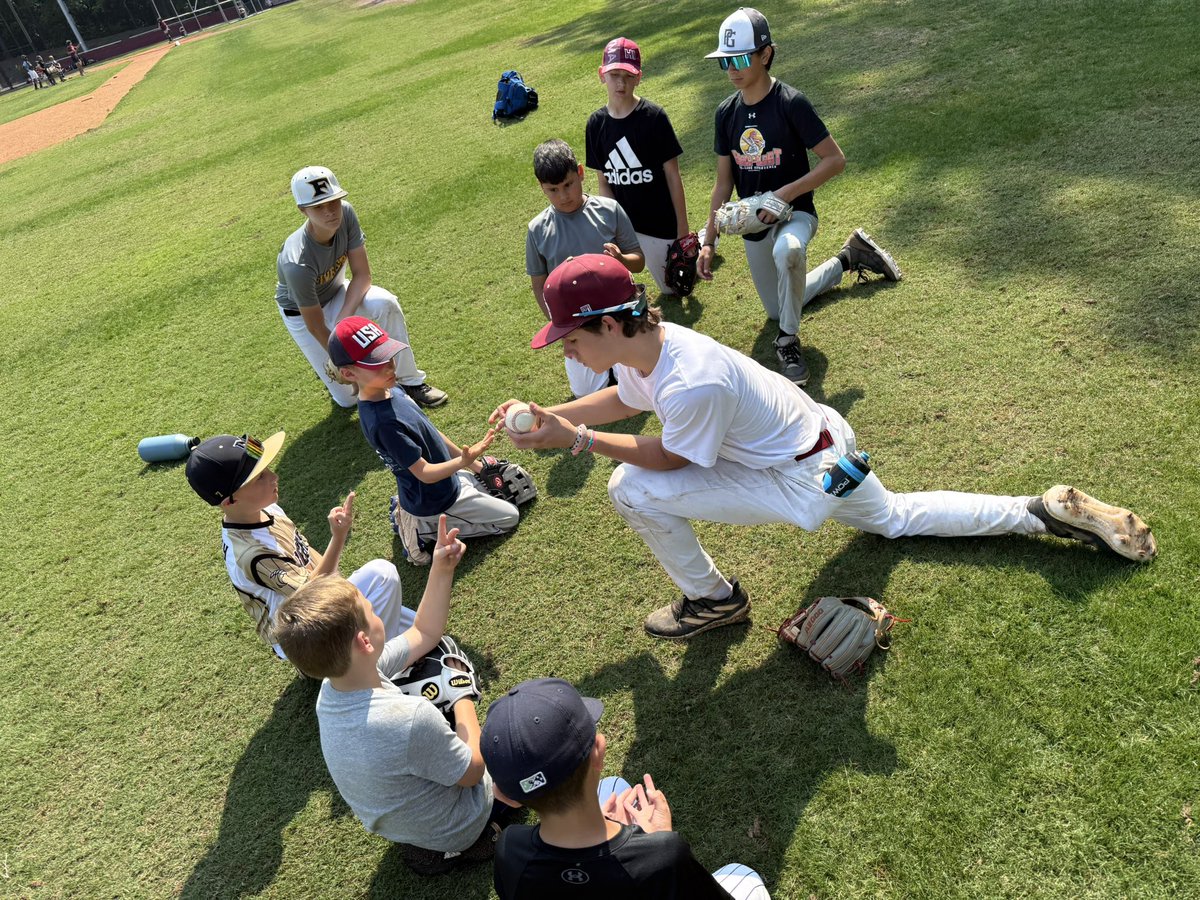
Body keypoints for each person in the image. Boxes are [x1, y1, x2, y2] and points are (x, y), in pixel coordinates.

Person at [490, 254, 1157, 640]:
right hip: (833, 447)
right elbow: (626, 398)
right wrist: (555, 415)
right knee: (894, 519)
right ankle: (1036, 511)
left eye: (570, 336)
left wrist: (578, 439)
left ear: (610, 324)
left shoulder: (691, 382)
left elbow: (671, 458)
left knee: (630, 486)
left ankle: (715, 600)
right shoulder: (655, 346)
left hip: (804, 483)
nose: (566, 349)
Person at [272, 516, 503, 876]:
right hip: (459, 821)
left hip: (404, 824)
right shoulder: (410, 718)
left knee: (431, 660)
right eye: (370, 609)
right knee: (513, 731)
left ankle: (430, 847)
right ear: (364, 640)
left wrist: (442, 568)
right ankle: (474, 839)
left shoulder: (335, 688)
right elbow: (473, 772)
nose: (376, 611)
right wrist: (461, 698)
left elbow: (424, 633)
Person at [698, 7, 902, 387]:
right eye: (725, 61)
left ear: (765, 54)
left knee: (789, 252)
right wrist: (708, 241)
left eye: (739, 59)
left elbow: (835, 160)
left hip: (796, 216)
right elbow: (723, 183)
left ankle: (788, 342)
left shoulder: (791, 102)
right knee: (779, 307)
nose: (731, 70)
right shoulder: (725, 113)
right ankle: (849, 257)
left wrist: (783, 195)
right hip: (754, 226)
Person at [481, 677, 772, 898]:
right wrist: (656, 841)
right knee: (744, 876)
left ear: (508, 796)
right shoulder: (664, 857)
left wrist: (614, 834)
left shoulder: (509, 849)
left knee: (613, 787)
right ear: (599, 750)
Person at [185, 430, 414, 658]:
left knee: (403, 623)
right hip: (303, 639)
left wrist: (345, 589)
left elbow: (306, 556)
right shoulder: (252, 553)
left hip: (314, 607)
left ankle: (395, 648)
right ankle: (374, 665)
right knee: (382, 575)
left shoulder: (265, 508)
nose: (274, 477)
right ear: (229, 501)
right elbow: (313, 594)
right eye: (260, 478)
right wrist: (338, 537)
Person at [327, 315, 523, 565]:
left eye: (388, 356)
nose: (389, 366)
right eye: (376, 363)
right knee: (509, 517)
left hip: (446, 481)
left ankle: (412, 510)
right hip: (435, 499)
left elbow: (431, 432)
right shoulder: (382, 423)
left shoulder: (391, 388)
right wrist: (463, 461)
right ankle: (422, 529)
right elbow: (425, 473)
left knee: (494, 489)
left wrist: (475, 466)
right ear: (348, 373)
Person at [275, 165, 447, 409]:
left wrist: (343, 319)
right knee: (348, 399)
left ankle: (410, 381)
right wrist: (343, 357)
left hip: (338, 294)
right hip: (303, 317)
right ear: (302, 210)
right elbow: (315, 325)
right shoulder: (296, 262)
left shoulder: (346, 213)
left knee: (385, 303)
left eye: (333, 201)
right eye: (318, 207)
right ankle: (323, 368)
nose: (330, 211)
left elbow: (362, 275)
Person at [526, 139, 645, 397]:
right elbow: (539, 285)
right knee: (585, 393)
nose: (563, 196)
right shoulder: (537, 229)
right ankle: (609, 368)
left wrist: (622, 259)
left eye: (568, 184)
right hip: (577, 324)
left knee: (643, 379)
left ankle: (618, 364)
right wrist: (559, 323)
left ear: (580, 172)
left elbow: (639, 261)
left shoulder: (609, 209)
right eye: (553, 190)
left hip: (620, 313)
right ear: (541, 187)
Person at [585, 37, 691, 298]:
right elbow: (604, 182)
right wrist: (611, 230)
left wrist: (682, 235)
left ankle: (703, 241)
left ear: (639, 77)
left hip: (660, 224)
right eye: (614, 75)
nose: (621, 83)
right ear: (602, 75)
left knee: (673, 289)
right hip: (625, 226)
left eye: (628, 76)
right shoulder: (595, 125)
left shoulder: (654, 117)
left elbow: (673, 176)